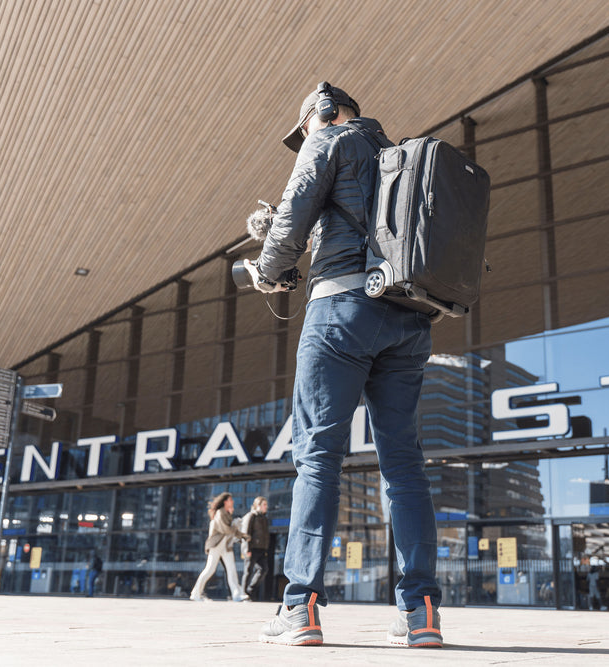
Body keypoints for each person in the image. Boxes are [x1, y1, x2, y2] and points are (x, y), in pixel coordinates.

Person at [247, 82, 443, 648]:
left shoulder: (328, 140)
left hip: (341, 311)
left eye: (302, 128)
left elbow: (290, 223)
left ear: (321, 114)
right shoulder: (397, 156)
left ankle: (299, 608)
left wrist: (267, 269)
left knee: (318, 458)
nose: (302, 138)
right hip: (408, 316)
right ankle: (421, 612)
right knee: (403, 465)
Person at [190, 492, 250, 602]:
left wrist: (243, 536)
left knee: (232, 570)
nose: (233, 502)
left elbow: (231, 530)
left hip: (226, 546)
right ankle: (196, 593)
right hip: (216, 545)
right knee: (210, 569)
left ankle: (237, 595)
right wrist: (235, 524)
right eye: (231, 500)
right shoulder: (219, 513)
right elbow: (225, 529)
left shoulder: (226, 513)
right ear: (225, 502)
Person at [240, 496, 270, 600]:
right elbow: (246, 533)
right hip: (252, 548)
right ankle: (243, 593)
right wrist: (246, 549)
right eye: (264, 505)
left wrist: (266, 548)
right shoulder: (251, 516)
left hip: (262, 549)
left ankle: (250, 590)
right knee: (248, 571)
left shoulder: (264, 518)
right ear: (258, 505)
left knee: (264, 569)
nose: (266, 507)